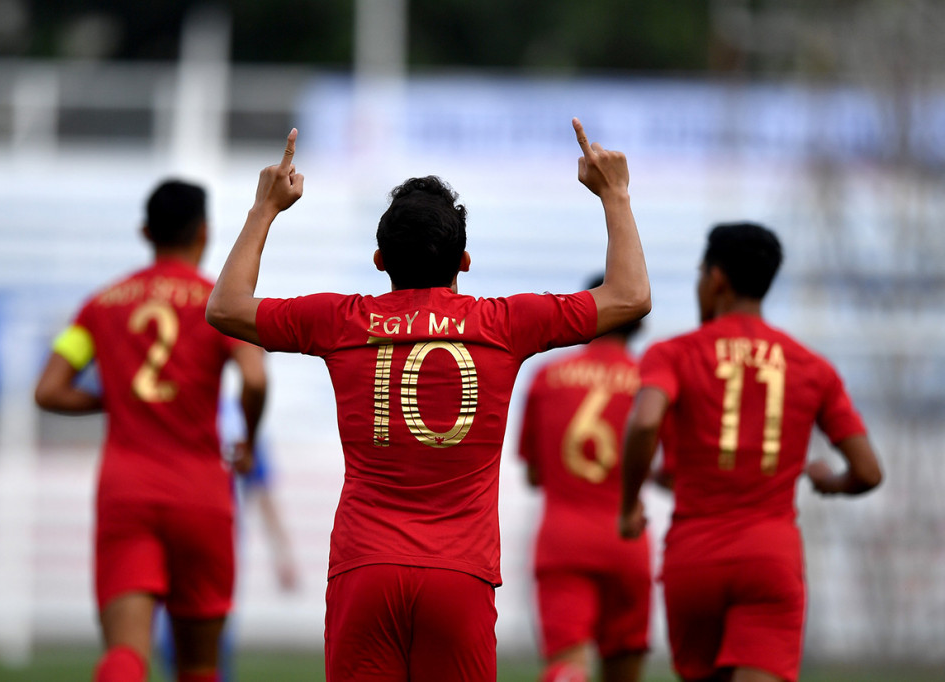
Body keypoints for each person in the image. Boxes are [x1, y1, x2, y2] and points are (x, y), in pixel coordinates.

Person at [205, 119, 651, 681]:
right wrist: (615, 194)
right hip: (459, 576)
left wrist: (264, 208)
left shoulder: (340, 320)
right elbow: (631, 296)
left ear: (379, 261)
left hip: (363, 568)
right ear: (464, 262)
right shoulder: (505, 324)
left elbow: (225, 307)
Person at [619, 222, 883, 682]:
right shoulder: (813, 367)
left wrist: (628, 506)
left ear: (717, 279)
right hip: (770, 557)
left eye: (701, 274)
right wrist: (830, 482)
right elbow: (868, 472)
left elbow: (644, 421)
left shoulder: (673, 353)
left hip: (694, 558)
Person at [34, 179, 267, 682]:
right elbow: (254, 377)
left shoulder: (101, 305)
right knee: (200, 666)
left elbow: (49, 391)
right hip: (201, 493)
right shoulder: (218, 304)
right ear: (204, 233)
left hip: (127, 491)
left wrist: (115, 399)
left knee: (125, 655)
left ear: (145, 231)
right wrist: (247, 437)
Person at [517, 274, 651, 682]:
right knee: (624, 668)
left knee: (567, 666)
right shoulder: (650, 380)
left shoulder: (547, 376)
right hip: (627, 538)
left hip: (563, 540)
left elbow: (535, 472)